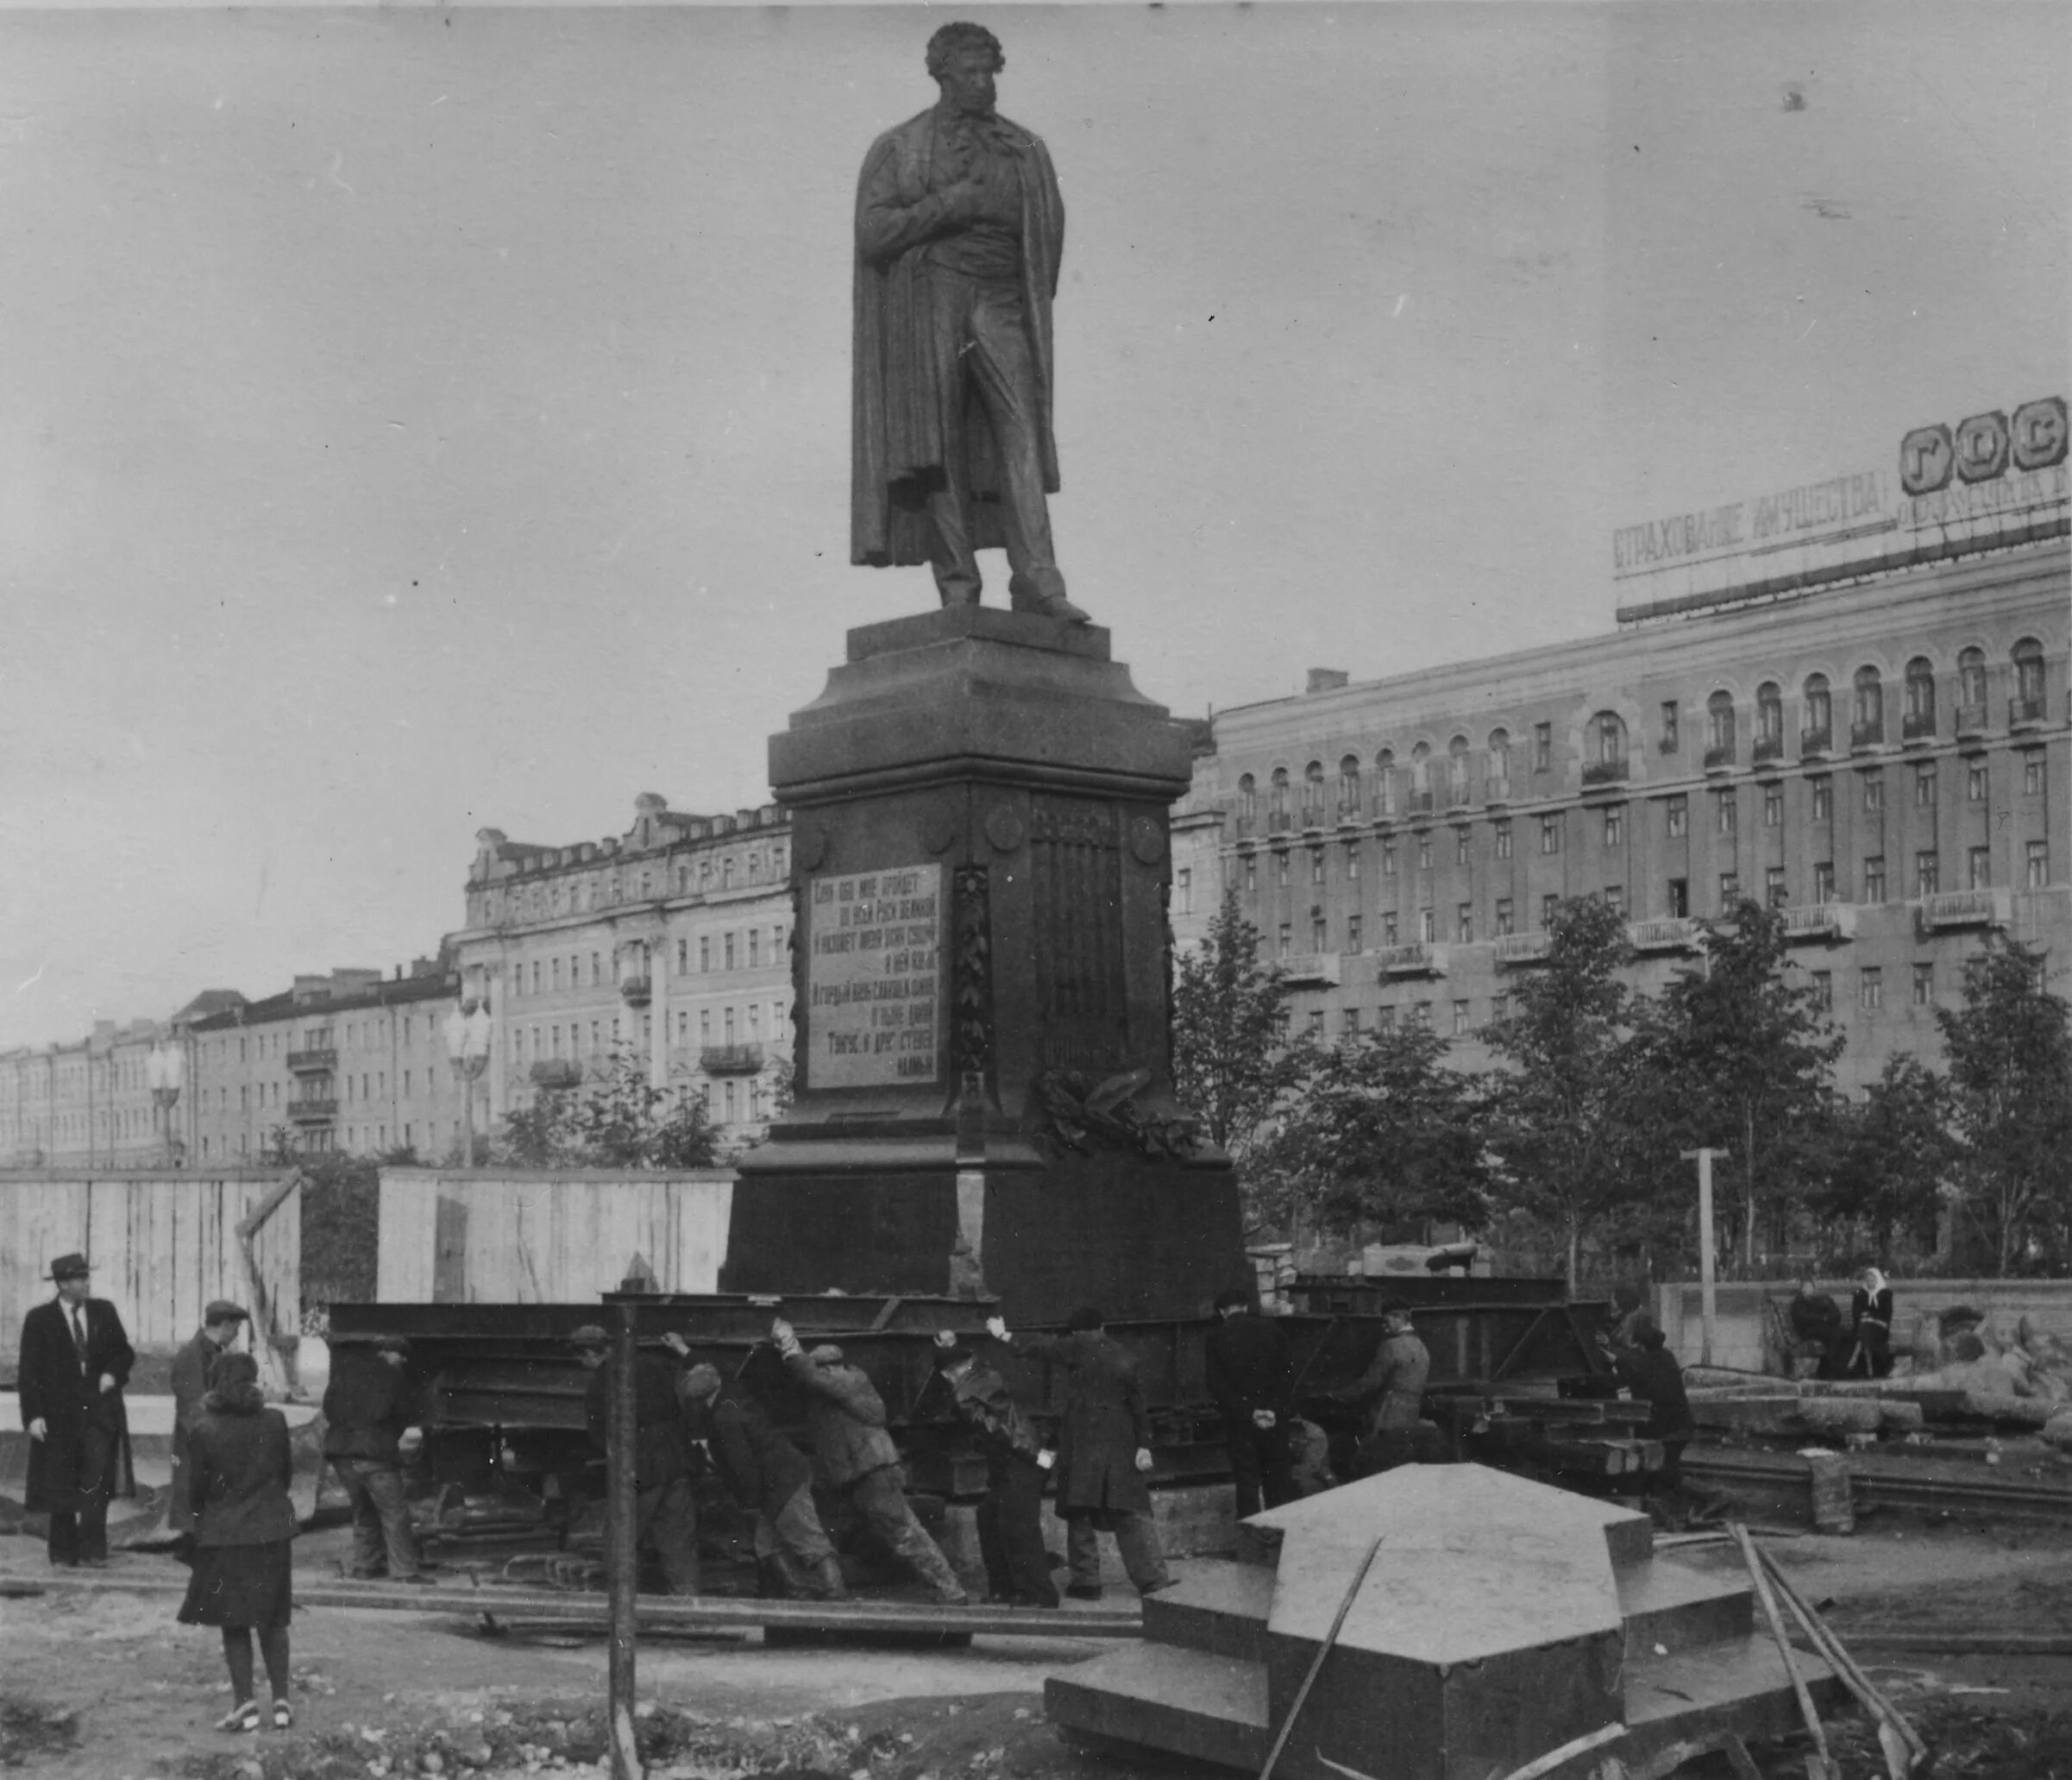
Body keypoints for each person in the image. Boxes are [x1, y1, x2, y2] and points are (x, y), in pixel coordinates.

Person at [851, 21, 1089, 625]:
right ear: (943, 76)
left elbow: (1048, 237)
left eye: (990, 72)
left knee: (1022, 433)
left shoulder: (1025, 148)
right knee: (940, 442)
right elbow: (873, 233)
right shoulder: (900, 147)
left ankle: (1039, 581)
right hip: (932, 292)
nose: (984, 83)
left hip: (1001, 294)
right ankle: (958, 585)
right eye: (970, 73)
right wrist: (946, 207)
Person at [773, 1318, 968, 1604]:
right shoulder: (838, 1388)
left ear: (830, 1367)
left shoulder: (849, 1380)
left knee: (904, 1532)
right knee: (881, 1531)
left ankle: (951, 1591)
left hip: (872, 1471)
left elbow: (812, 1378)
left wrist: (789, 1344)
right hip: (859, 1474)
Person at [986, 1307, 1171, 1602]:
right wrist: (1144, 1445)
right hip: (1120, 1442)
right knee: (1130, 1510)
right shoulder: (1126, 1355)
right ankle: (1153, 1580)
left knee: (1079, 1508)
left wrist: (1003, 1334)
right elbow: (1139, 1407)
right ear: (1104, 1326)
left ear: (1075, 1331)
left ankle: (1087, 1581)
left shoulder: (1078, 1344)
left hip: (1082, 1440)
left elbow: (1042, 1346)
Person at [178, 1351, 298, 1733]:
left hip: (224, 1533)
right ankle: (281, 1702)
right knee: (273, 1618)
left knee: (234, 1622)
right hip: (272, 1530)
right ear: (253, 1379)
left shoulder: (204, 1428)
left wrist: (208, 1518)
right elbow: (287, 1475)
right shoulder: (276, 1421)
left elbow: (196, 1489)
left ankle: (244, 1704)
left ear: (214, 1383)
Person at [672, 1343, 847, 1601]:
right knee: (766, 1545)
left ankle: (836, 1593)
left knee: (807, 1537)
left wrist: (750, 1502)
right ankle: (797, 1592)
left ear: (698, 1399)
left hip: (782, 1481)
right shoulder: (731, 1394)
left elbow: (743, 1464)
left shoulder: (724, 1417)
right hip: (780, 1477)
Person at [17, 1252, 135, 1569]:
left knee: (97, 1480)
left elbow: (124, 1353)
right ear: (63, 1284)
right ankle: (63, 1552)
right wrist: (33, 1416)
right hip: (59, 1416)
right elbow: (28, 1373)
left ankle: (93, 1550)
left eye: (86, 1276)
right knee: (62, 1483)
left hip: (99, 1411)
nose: (86, 1283)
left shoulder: (103, 1312)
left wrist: (112, 1373)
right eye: (80, 1278)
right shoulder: (40, 1319)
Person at [570, 1324, 701, 1596]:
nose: (583, 1364)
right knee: (678, 1542)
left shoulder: (600, 1384)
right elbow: (687, 1399)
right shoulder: (654, 1364)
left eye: (581, 1358)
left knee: (620, 1539)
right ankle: (689, 1610)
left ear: (589, 1354)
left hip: (639, 1468)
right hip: (676, 1459)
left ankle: (620, 1612)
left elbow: (599, 1437)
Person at [934, 1336, 1059, 1607]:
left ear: (948, 1374)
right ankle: (1008, 1589)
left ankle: (1037, 1594)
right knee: (989, 1516)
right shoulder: (984, 1375)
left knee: (1018, 1527)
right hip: (1019, 1461)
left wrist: (1035, 1455)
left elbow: (998, 1431)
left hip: (1022, 1460)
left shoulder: (966, 1392)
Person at [321, 1336, 428, 1583]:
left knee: (363, 1511)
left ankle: (365, 1566)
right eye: (401, 1357)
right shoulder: (393, 1377)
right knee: (395, 1513)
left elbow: (328, 1408)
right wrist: (388, 1435)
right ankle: (404, 1572)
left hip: (342, 1456)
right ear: (389, 1353)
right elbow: (404, 1414)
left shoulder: (343, 1374)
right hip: (375, 1456)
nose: (402, 1362)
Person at [1204, 1287, 1296, 1519]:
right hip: (1275, 1418)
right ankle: (1282, 1537)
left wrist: (1250, 1412)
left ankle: (1251, 1544)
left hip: (1242, 1421)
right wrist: (1273, 1409)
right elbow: (1287, 1375)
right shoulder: (1273, 1330)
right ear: (1246, 1306)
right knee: (1278, 1479)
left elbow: (1217, 1385)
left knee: (1247, 1482)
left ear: (1223, 1312)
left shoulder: (1216, 1337)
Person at [170, 1301, 251, 1545]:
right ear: (225, 1325)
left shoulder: (215, 1352)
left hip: (211, 1440)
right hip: (198, 1443)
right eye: (236, 1327)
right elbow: (195, 1407)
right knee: (194, 1504)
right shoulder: (191, 1355)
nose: (237, 1333)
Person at [1329, 1298, 1437, 1478]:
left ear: (1398, 1319)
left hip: (1388, 1412)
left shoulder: (1391, 1346)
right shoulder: (1421, 1346)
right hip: (1411, 1412)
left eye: (1386, 1321)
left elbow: (1371, 1382)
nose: (1384, 1327)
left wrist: (1338, 1395)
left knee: (1378, 1460)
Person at [1615, 1317, 1696, 1492]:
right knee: (1667, 1469)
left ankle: (1667, 1505)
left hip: (1666, 1430)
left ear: (1642, 1346)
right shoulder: (1667, 1356)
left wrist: (1616, 1360)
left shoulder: (1647, 1363)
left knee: (1660, 1473)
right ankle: (1673, 1502)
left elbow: (1632, 1373)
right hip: (1681, 1426)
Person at [1785, 1278, 1844, 1379]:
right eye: (1805, 1287)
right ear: (1801, 1289)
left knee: (1842, 1334)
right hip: (1808, 1331)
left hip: (1824, 1328)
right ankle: (1829, 1369)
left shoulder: (1823, 1300)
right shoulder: (1799, 1302)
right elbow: (1803, 1319)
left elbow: (1836, 1315)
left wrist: (1826, 1318)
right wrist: (1823, 1318)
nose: (1807, 1289)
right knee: (1833, 1336)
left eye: (1810, 1287)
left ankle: (1837, 1368)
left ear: (1813, 1289)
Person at [1846, 1268, 1896, 1380]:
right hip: (1863, 1328)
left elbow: (1886, 1314)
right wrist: (1868, 1316)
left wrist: (1869, 1315)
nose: (1870, 1283)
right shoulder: (1860, 1294)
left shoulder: (1885, 1294)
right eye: (1868, 1280)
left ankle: (1857, 1354)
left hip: (1880, 1328)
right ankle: (1869, 1367)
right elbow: (1856, 1313)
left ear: (1877, 1280)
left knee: (1865, 1326)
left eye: (1872, 1280)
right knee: (1865, 1326)